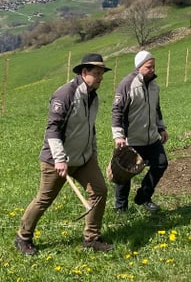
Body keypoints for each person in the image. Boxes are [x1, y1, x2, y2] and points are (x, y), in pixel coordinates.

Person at [15, 53, 114, 255]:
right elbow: (53, 129)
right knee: (44, 199)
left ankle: (91, 238)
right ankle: (23, 237)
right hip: (57, 160)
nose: (101, 77)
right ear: (84, 72)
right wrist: (60, 159)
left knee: (99, 191)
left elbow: (89, 128)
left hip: (84, 158)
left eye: (102, 73)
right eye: (97, 73)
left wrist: (92, 152)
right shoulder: (65, 94)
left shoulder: (93, 96)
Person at [111, 50, 169, 212]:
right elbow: (117, 111)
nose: (153, 70)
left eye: (154, 66)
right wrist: (118, 136)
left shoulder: (154, 86)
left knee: (161, 163)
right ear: (139, 67)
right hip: (131, 139)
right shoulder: (127, 84)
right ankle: (120, 208)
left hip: (151, 137)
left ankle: (144, 196)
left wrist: (161, 127)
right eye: (149, 67)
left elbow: (156, 108)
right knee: (125, 174)